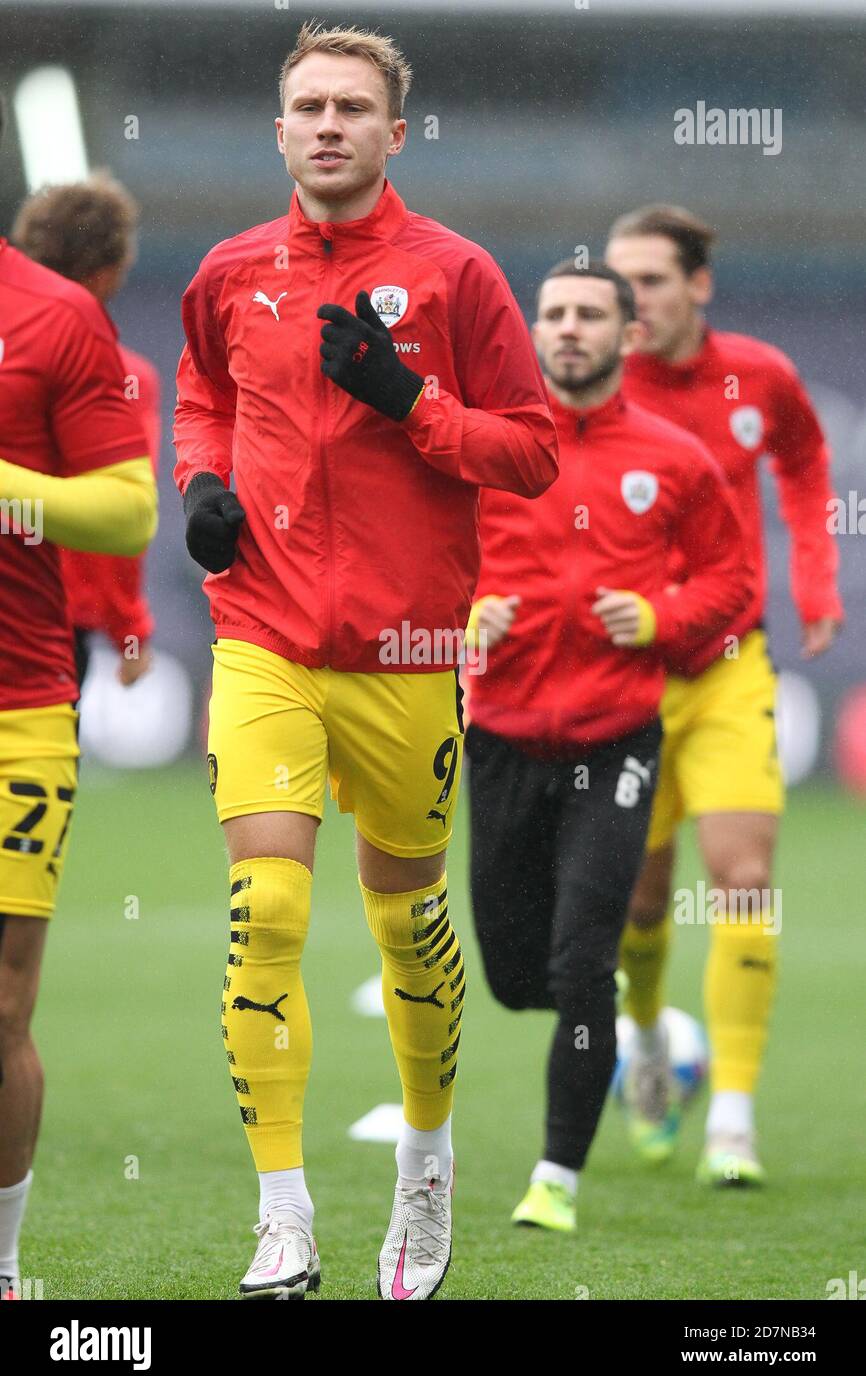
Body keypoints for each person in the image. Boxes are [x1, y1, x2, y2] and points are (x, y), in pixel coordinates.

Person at [173, 21, 557, 1300]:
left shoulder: (455, 275)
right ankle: (282, 1214)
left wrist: (412, 404)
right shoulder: (229, 270)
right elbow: (200, 397)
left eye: (352, 108)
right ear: (276, 129)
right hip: (263, 636)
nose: (327, 125)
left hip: (405, 654)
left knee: (407, 923)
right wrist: (204, 486)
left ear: (395, 133)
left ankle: (426, 1162)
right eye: (307, 106)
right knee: (267, 912)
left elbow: (533, 451)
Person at [464, 260, 751, 1233]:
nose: (568, 328)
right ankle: (657, 1043)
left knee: (583, 957)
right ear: (532, 332)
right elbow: (418, 558)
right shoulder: (488, 448)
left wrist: (661, 615)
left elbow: (732, 584)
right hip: (500, 737)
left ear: (627, 336)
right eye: (552, 314)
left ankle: (555, 1178)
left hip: (616, 740)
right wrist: (461, 615)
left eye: (589, 313)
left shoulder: (673, 458)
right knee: (514, 975)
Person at [606, 205, 843, 1184]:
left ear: (697, 284)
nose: (630, 305)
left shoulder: (759, 376)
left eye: (651, 283)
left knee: (741, 879)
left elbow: (801, 459)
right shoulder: (587, 382)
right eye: (616, 286)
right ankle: (649, 1048)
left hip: (726, 667)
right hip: (618, 682)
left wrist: (816, 580)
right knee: (640, 907)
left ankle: (733, 1120)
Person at [0, 106, 157, 1301]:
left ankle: (3, 1267)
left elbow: (127, 509)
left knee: (3, 995)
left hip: (18, 699)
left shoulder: (58, 321)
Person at [12, 173, 160, 691]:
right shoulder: (123, 376)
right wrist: (131, 629)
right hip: (47, 618)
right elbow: (119, 521)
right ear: (108, 273)